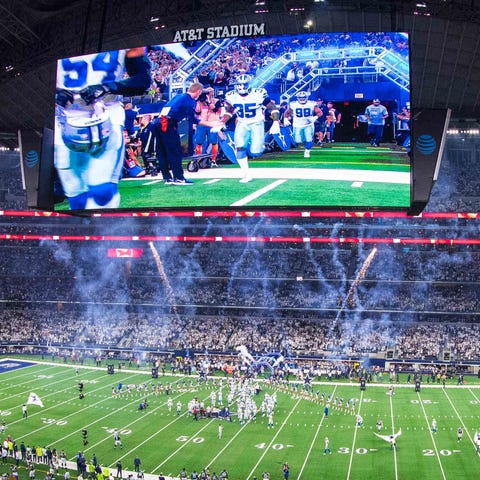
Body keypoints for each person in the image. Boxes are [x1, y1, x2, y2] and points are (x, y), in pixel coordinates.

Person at [54, 46, 151, 210]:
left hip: (106, 112)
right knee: (76, 197)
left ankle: (107, 232)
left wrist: (107, 87)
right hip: (64, 116)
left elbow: (142, 80)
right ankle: (83, 231)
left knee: (102, 191)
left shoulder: (126, 35)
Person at [153, 82, 223, 185]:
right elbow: (193, 119)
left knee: (162, 151)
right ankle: (179, 178)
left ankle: (167, 178)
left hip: (157, 122)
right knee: (175, 151)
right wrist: (210, 124)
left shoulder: (178, 96)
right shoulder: (190, 101)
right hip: (167, 124)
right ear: (198, 91)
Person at [222, 73, 279, 183]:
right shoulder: (231, 96)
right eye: (239, 85)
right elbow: (230, 111)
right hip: (242, 123)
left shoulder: (258, 93)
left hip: (256, 123)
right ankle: (246, 174)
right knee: (239, 148)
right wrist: (221, 122)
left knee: (255, 152)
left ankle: (260, 144)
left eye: (244, 85)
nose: (241, 87)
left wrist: (275, 122)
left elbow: (273, 107)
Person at [284, 91, 320, 158]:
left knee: (309, 139)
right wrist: (285, 119)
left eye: (304, 97)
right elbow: (287, 113)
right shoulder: (294, 104)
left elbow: (320, 112)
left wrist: (315, 117)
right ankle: (306, 144)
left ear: (307, 97)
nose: (302, 99)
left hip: (308, 124)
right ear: (298, 98)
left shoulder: (311, 104)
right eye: (300, 97)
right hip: (297, 124)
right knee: (298, 140)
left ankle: (307, 151)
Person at [194, 87, 223, 167]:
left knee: (214, 142)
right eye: (207, 92)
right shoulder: (200, 101)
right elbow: (197, 112)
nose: (209, 93)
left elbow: (216, 110)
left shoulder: (216, 101)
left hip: (212, 123)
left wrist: (210, 104)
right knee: (199, 142)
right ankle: (198, 159)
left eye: (210, 91)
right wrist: (199, 103)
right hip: (202, 123)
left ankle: (213, 160)